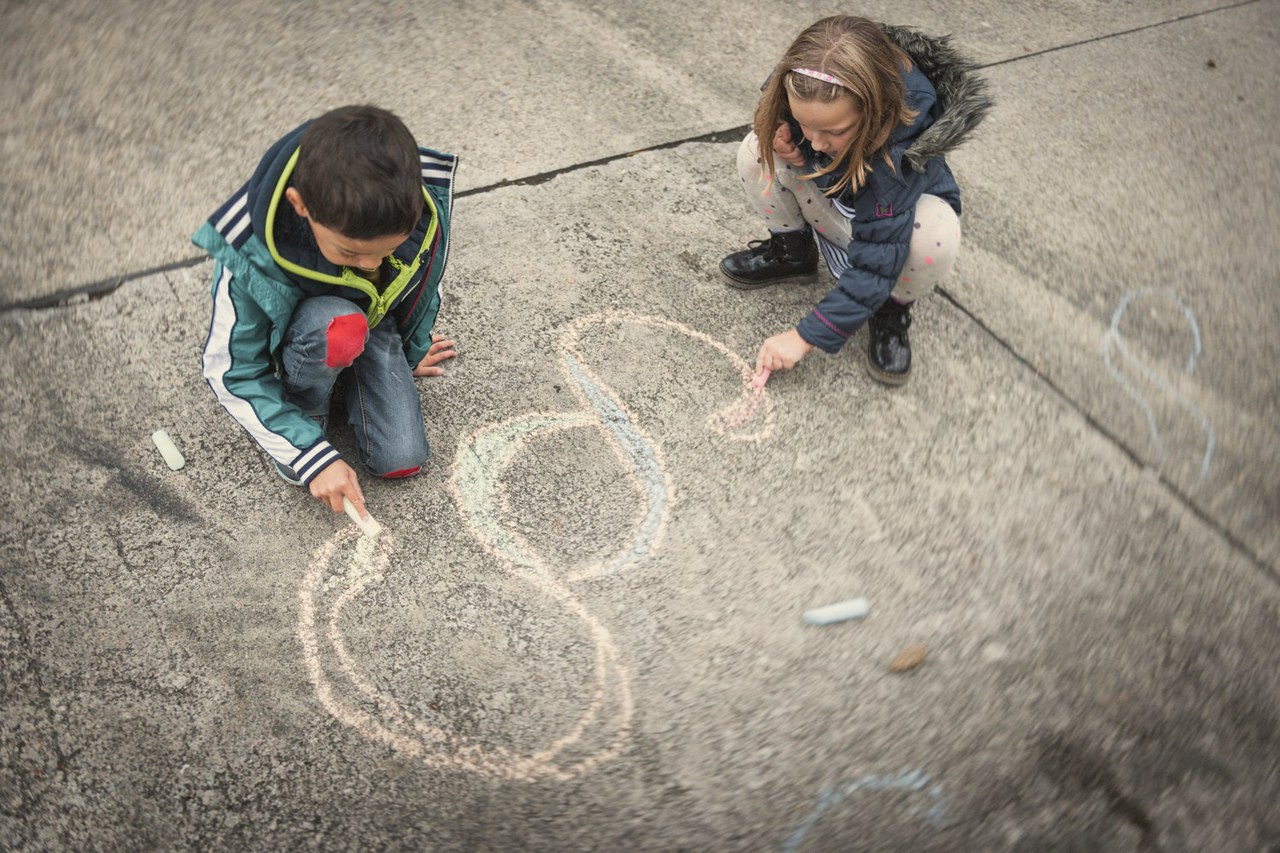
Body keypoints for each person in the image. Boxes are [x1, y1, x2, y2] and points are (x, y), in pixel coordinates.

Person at [195, 105, 459, 519]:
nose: (372, 265)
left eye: (386, 250)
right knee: (336, 325)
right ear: (300, 206)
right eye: (351, 252)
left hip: (369, 324)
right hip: (315, 334)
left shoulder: (419, 203)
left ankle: (350, 359)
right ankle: (306, 409)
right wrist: (309, 456)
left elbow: (421, 283)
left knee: (402, 458)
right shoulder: (250, 251)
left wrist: (412, 348)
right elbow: (231, 372)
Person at [720, 17, 991, 385]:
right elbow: (806, 130)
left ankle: (890, 308)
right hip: (842, 207)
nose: (816, 141)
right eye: (805, 124)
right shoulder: (816, 88)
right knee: (756, 150)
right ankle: (793, 253)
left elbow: (875, 265)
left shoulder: (899, 157)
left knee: (936, 233)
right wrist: (794, 143)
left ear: (875, 110)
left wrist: (804, 337)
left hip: (890, 235)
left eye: (834, 131)